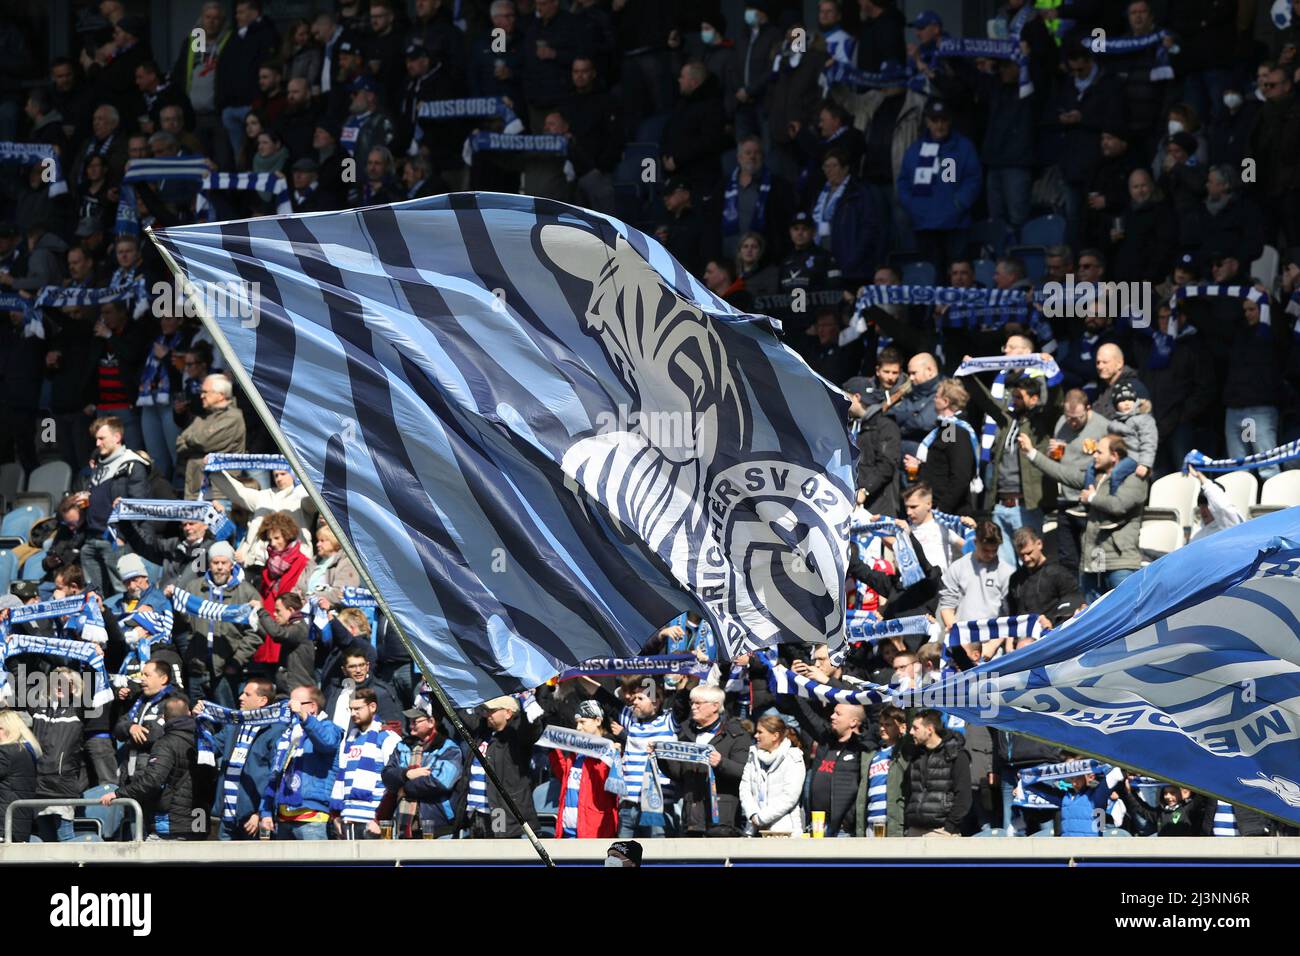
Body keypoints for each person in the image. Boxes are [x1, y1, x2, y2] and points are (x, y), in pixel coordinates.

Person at [896, 99, 981, 272]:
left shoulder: (962, 147)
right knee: (930, 276)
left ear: (950, 121)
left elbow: (973, 179)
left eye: (943, 120)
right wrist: (913, 205)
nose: (939, 125)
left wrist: (959, 204)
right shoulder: (915, 150)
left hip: (954, 226)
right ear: (927, 122)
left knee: (957, 277)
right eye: (935, 120)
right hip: (924, 225)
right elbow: (903, 182)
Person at [173, 541, 261, 708]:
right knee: (197, 715)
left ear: (231, 564)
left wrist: (237, 660)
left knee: (225, 716)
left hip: (227, 667)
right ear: (209, 564)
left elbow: (256, 631)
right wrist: (174, 600)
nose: (220, 567)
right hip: (197, 665)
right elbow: (183, 623)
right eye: (215, 562)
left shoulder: (246, 592)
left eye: (224, 563)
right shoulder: (195, 588)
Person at [658, 683, 752, 837]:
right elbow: (678, 773)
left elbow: (746, 773)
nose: (693, 707)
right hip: (692, 818)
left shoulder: (736, 734)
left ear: (715, 706)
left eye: (698, 703)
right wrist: (661, 757)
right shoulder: (686, 733)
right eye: (692, 703)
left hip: (722, 819)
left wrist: (721, 763)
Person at [102, 696, 201, 840]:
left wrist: (118, 794)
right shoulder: (202, 741)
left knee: (147, 860)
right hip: (198, 822)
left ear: (163, 718)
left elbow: (153, 780)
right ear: (190, 714)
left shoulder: (165, 744)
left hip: (169, 825)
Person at [200, 677, 286, 841]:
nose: (241, 697)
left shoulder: (276, 730)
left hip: (252, 819)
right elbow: (210, 749)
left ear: (262, 701)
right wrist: (200, 722)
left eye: (247, 694)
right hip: (227, 816)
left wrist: (260, 812)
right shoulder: (234, 725)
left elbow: (276, 774)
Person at [259, 684, 343, 840]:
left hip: (312, 819)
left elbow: (327, 743)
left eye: (294, 704)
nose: (289, 708)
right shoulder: (288, 735)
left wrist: (304, 717)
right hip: (282, 818)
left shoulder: (329, 727)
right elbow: (274, 774)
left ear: (311, 707)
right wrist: (265, 812)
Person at [79, 416, 151, 596]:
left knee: (123, 591)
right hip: (92, 537)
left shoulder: (132, 464)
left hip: (115, 539)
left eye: (101, 438)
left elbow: (138, 505)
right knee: (94, 595)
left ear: (117, 437)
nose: (97, 443)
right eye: (96, 439)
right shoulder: (98, 464)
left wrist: (122, 535)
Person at [379, 704, 463, 839]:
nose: (411, 725)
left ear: (431, 722)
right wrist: (406, 774)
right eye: (410, 721)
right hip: (404, 826)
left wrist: (404, 788)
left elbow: (440, 782)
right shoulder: (402, 746)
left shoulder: (449, 749)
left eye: (415, 721)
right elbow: (387, 775)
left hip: (439, 827)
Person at [329, 687, 404, 839]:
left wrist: (381, 819)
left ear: (372, 707)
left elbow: (394, 781)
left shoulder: (387, 737)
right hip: (348, 818)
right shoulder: (350, 738)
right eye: (350, 709)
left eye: (358, 709)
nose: (353, 713)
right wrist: (336, 815)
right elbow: (341, 778)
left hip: (373, 820)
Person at [1079, 436, 1146, 602]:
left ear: (1115, 456)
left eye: (1099, 452)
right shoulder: (1098, 478)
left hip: (1120, 563)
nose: (1094, 455)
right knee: (1094, 619)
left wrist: (1092, 498)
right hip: (1095, 561)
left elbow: (1119, 505)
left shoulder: (1135, 478)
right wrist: (1032, 453)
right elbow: (1064, 474)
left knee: (1128, 616)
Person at [547, 699, 621, 840]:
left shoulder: (610, 753)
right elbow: (562, 775)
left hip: (594, 833)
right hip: (567, 834)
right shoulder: (575, 755)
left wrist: (614, 752)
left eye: (583, 722)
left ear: (598, 721)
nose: (578, 728)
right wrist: (552, 747)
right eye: (577, 723)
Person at [907, 377, 976, 516]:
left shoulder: (956, 430)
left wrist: (942, 508)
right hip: (936, 506)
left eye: (937, 396)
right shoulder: (947, 428)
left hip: (948, 513)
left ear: (945, 402)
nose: (934, 399)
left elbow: (960, 476)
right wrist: (919, 467)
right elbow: (940, 463)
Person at [175, 374, 247, 499]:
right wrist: (195, 440)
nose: (201, 396)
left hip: (218, 494)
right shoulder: (204, 417)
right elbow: (179, 442)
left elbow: (203, 442)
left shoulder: (233, 418)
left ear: (221, 395)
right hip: (195, 490)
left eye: (205, 392)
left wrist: (191, 440)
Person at [904, 710, 970, 837]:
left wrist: (949, 828)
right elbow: (909, 792)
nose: (911, 732)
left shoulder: (956, 754)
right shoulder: (916, 755)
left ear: (929, 730)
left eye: (915, 728)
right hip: (914, 829)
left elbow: (963, 795)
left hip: (941, 831)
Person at [739, 714, 805, 836]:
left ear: (775, 736)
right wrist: (753, 814)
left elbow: (790, 796)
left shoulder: (793, 758)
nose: (756, 736)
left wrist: (761, 818)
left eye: (760, 732)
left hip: (784, 832)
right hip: (754, 829)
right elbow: (745, 788)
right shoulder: (753, 755)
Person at [937, 520, 1011, 628]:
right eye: (985, 550)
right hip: (962, 636)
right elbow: (947, 605)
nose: (990, 555)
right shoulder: (957, 567)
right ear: (975, 542)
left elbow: (1009, 612)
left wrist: (992, 644)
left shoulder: (1006, 571)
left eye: (994, 550)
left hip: (994, 637)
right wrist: (957, 633)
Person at [1007, 528, 1081, 626]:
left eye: (1029, 553)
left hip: (1052, 632)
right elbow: (1012, 614)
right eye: (1021, 555)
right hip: (1023, 634)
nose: (1026, 558)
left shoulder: (1059, 573)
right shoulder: (1015, 579)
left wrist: (1053, 624)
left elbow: (1072, 604)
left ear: (1039, 544)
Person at [0, 708, 40, 844]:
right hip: (19, 826)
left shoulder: (6, 752)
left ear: (9, 730)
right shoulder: (27, 751)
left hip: (5, 828)